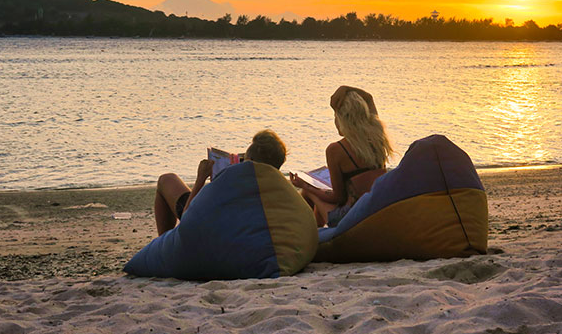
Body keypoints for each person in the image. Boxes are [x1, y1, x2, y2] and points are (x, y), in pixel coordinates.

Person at [290, 86, 393, 227]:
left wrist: (306, 186)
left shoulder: (335, 150)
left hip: (351, 218)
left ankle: (313, 237)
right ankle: (318, 233)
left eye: (335, 116)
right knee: (318, 193)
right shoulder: (377, 137)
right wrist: (346, 89)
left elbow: (337, 198)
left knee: (309, 192)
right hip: (376, 209)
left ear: (342, 119)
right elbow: (368, 98)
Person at [154, 129, 288, 236]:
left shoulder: (233, 184)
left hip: (210, 229)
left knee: (167, 179)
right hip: (236, 230)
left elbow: (187, 219)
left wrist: (201, 178)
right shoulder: (279, 190)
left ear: (250, 159)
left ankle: (163, 244)